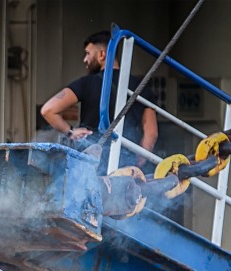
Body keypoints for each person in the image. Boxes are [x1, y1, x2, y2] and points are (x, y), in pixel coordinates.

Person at [40, 30, 157, 171]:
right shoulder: (140, 87)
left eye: (88, 53)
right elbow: (151, 133)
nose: (85, 59)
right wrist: (139, 159)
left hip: (92, 163)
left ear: (102, 54)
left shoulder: (86, 83)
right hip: (127, 164)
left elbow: (48, 110)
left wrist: (71, 131)